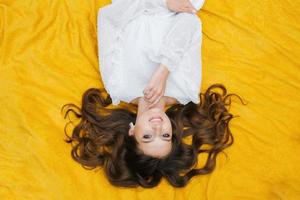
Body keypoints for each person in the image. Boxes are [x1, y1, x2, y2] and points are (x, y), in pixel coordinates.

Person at [61, 0, 245, 188]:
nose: (157, 127)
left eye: (148, 137)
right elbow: (190, 21)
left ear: (132, 132)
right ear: (172, 130)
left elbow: (109, 19)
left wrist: (162, 3)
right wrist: (164, 70)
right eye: (165, 135)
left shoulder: (118, 87)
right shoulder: (186, 89)